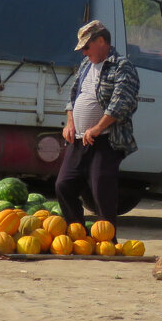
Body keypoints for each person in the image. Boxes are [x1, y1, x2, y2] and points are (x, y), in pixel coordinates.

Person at [55, 20, 139, 234]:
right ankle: (78, 234)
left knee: (101, 188)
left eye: (86, 47)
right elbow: (73, 97)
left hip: (106, 140)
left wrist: (98, 127)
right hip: (79, 139)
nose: (84, 53)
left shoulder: (122, 66)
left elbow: (122, 103)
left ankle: (107, 241)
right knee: (63, 185)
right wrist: (70, 123)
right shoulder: (86, 66)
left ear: (101, 41)